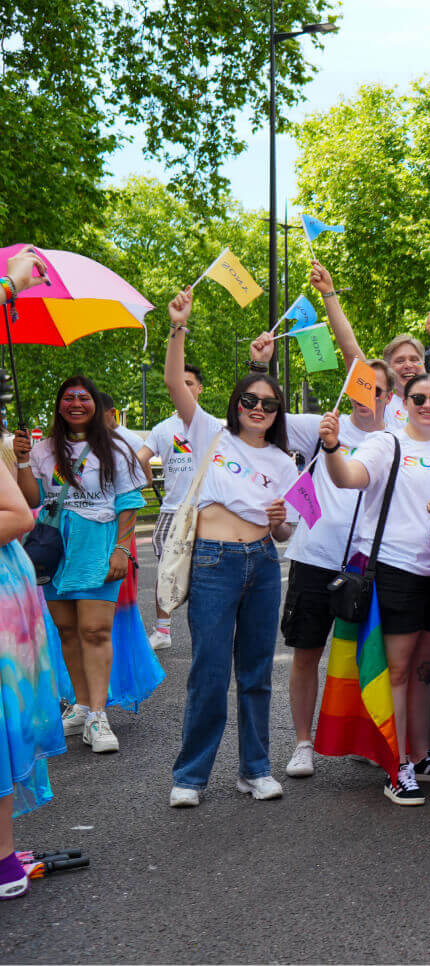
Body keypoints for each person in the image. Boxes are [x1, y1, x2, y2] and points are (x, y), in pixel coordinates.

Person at [164, 289, 298, 807]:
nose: (258, 408)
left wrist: (282, 521)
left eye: (268, 403)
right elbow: (176, 382)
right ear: (235, 404)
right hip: (214, 562)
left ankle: (255, 769)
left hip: (263, 564)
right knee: (210, 671)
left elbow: (284, 535)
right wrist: (180, 326)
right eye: (250, 400)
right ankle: (191, 777)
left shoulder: (286, 463)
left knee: (256, 672)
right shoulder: (210, 434)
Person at [247, 328, 389, 781]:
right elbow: (261, 414)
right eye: (359, 386)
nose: (365, 397)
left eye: (375, 390)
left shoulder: (398, 438)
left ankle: (369, 740)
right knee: (306, 652)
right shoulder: (323, 425)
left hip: (368, 566)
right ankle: (303, 744)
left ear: (390, 398)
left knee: (369, 656)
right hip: (312, 559)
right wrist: (261, 368)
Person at [323, 373, 430, 805]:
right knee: (398, 670)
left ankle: (420, 754)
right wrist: (331, 449)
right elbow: (348, 477)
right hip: (394, 568)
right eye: (419, 397)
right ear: (404, 400)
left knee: (425, 668)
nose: (428, 404)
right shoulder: (386, 443)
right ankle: (396, 761)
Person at [13, 376, 148, 756]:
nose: (75, 403)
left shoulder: (115, 450)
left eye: (83, 397)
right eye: (68, 397)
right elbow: (32, 497)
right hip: (55, 545)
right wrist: (23, 459)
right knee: (67, 629)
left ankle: (99, 716)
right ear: (59, 406)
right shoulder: (44, 450)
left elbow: (129, 501)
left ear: (94, 405)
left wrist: (122, 550)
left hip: (98, 543)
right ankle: (83, 706)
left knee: (95, 630)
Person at [0, 257, 66, 901]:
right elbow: (17, 517)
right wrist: (13, 284)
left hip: (10, 582)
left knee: (8, 714)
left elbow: (24, 503)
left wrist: (19, 460)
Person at [136, 362, 207, 650]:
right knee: (167, 571)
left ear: (199, 388)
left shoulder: (212, 426)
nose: (185, 388)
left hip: (206, 512)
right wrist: (146, 474)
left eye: (190, 383)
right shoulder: (163, 429)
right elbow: (140, 457)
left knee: (205, 574)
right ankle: (162, 631)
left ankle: (205, 631)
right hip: (171, 511)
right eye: (180, 384)